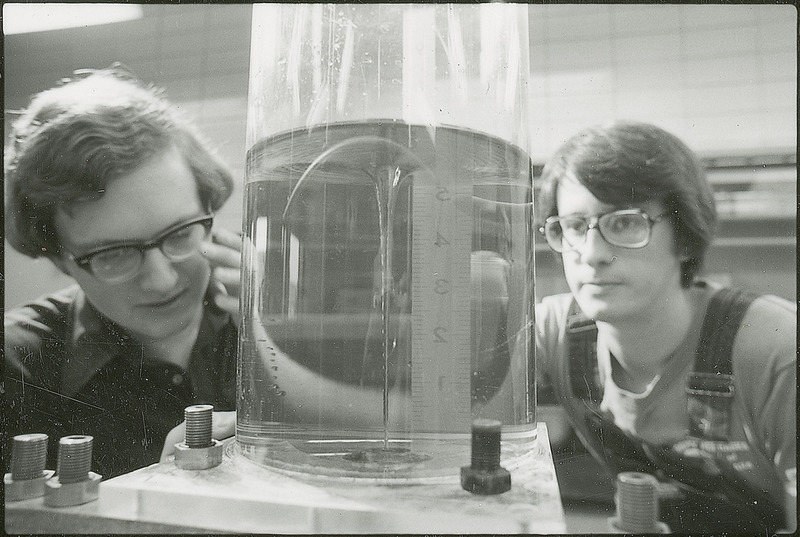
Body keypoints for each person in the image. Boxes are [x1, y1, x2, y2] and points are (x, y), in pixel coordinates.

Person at [534, 121, 796, 533]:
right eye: (575, 226)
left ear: (686, 236)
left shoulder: (777, 353)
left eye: (625, 223)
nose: (591, 253)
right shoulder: (556, 333)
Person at [3, 67, 241, 479]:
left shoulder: (276, 328)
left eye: (181, 233)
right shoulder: (14, 364)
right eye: (113, 255)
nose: (163, 280)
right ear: (60, 259)